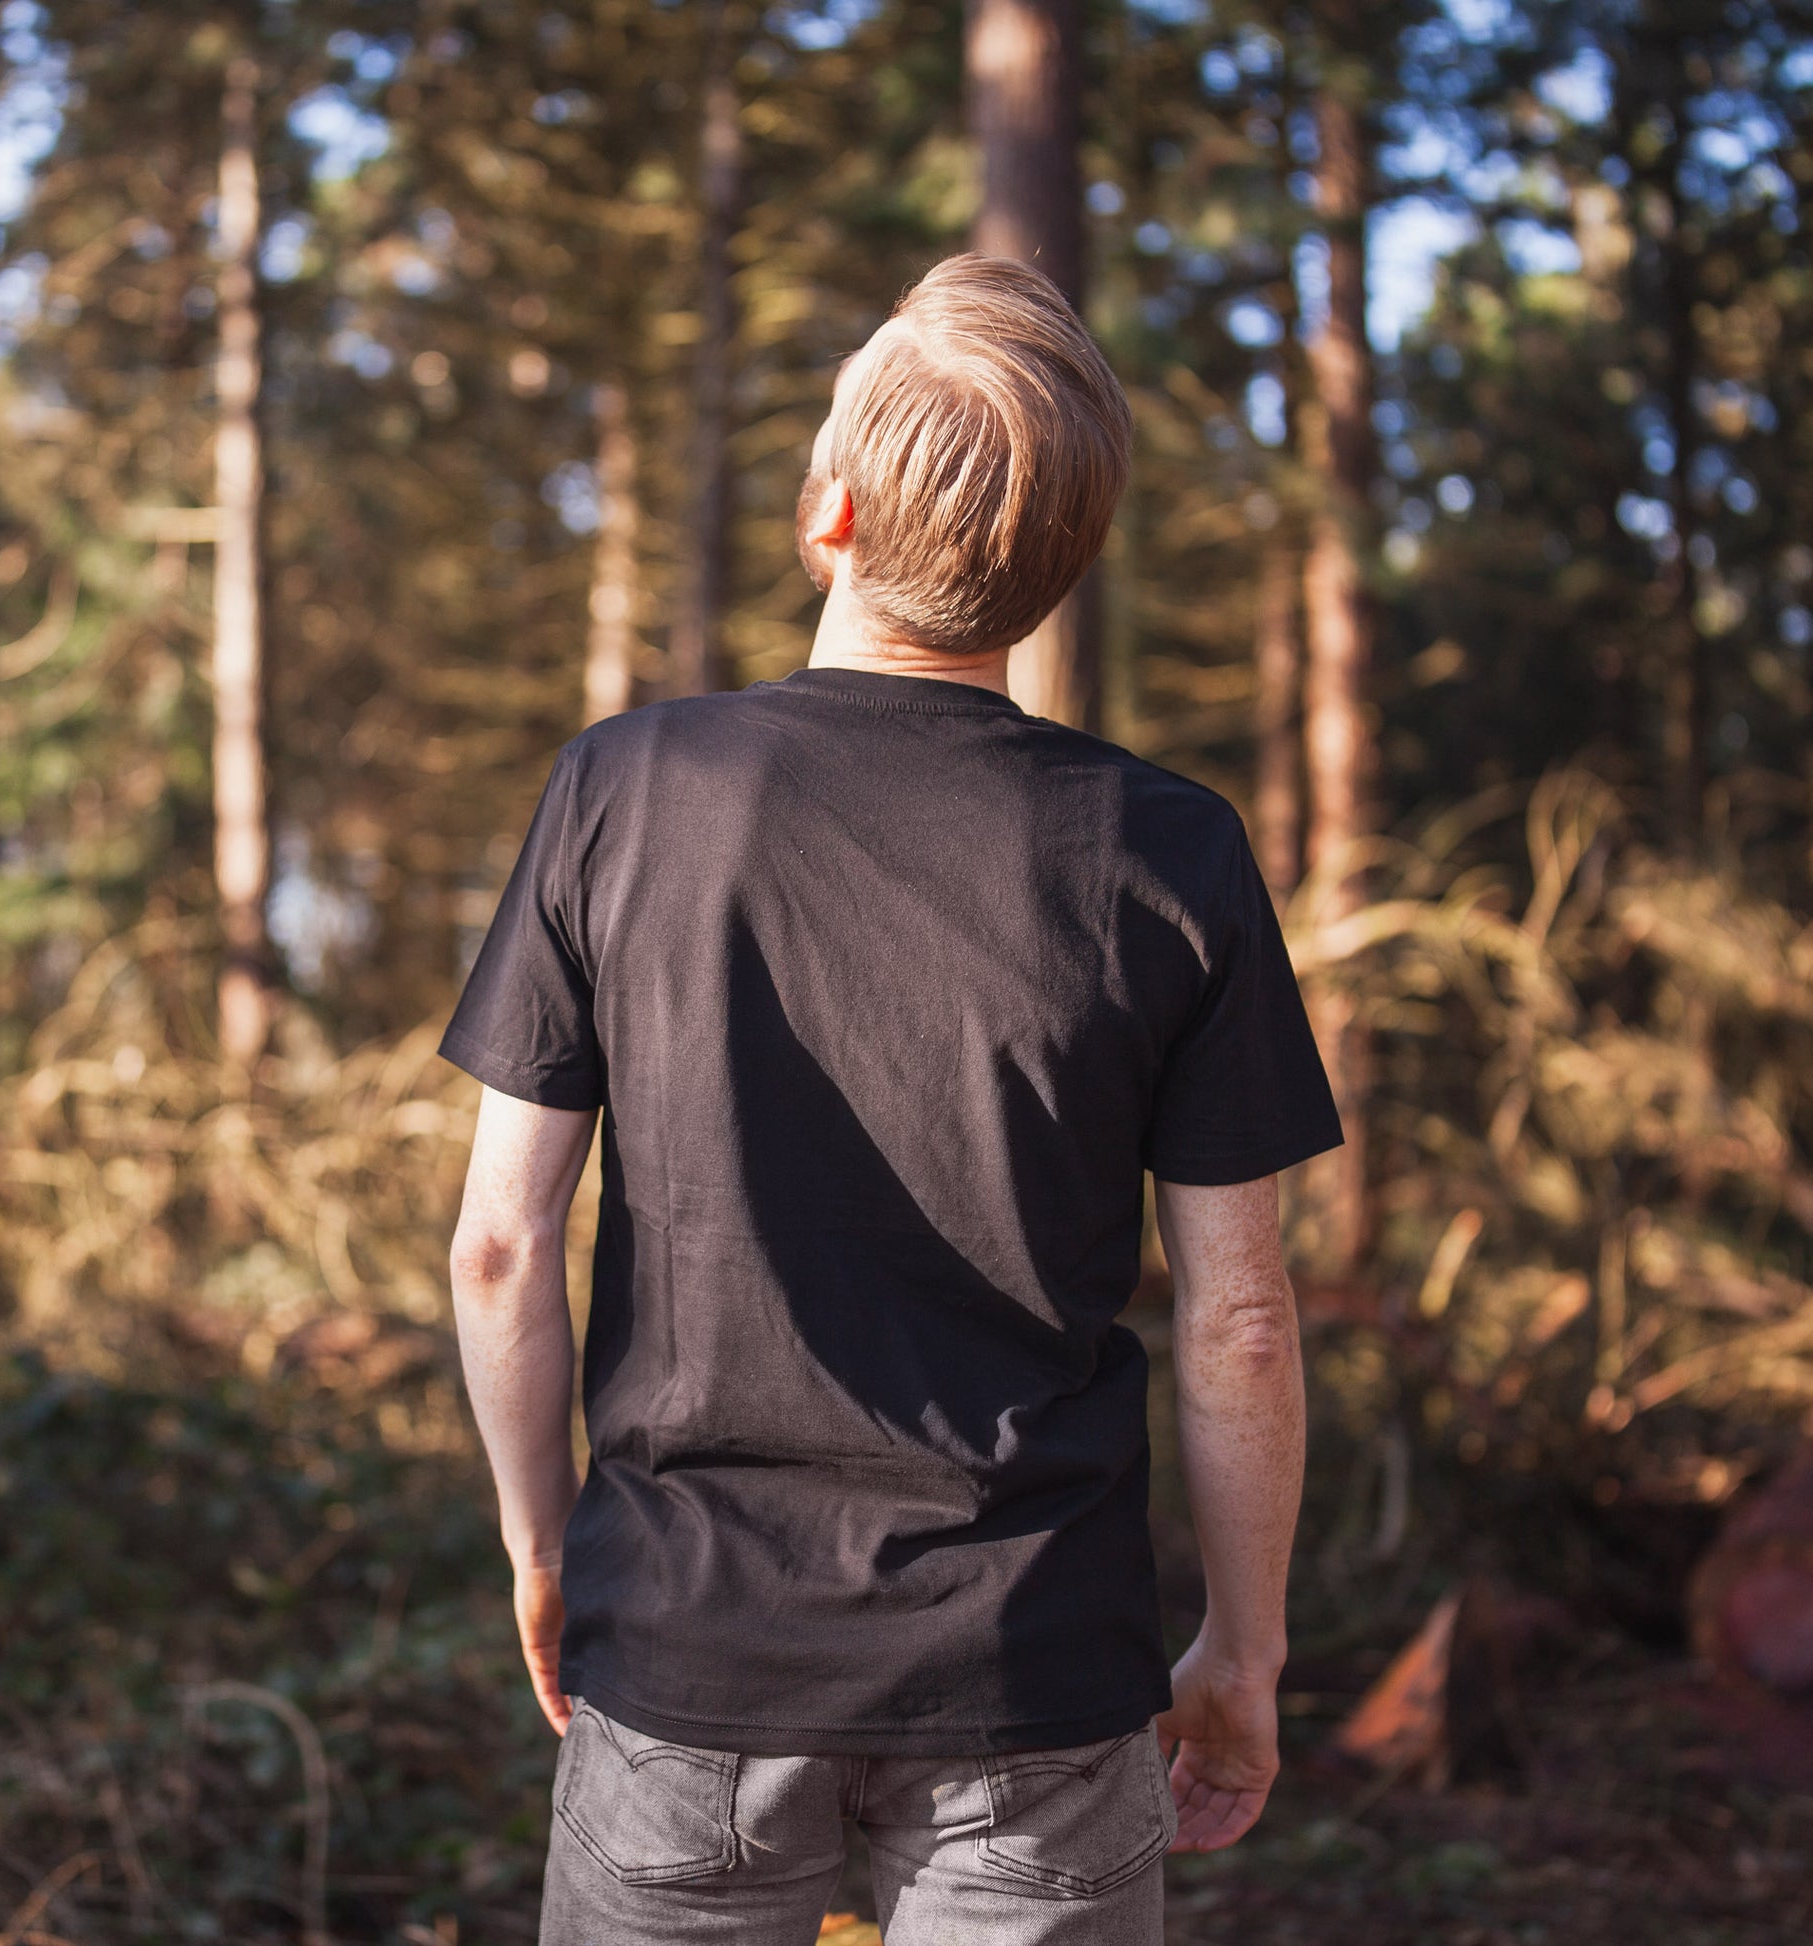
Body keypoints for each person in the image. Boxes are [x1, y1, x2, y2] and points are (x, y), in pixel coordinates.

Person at [442, 254, 1342, 1945]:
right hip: (1036, 1687)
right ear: (1062, 566)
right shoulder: (1169, 851)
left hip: (686, 1657)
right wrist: (1243, 1648)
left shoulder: (625, 790)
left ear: (828, 508)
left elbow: (501, 1247)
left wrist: (543, 1545)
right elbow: (1242, 1321)